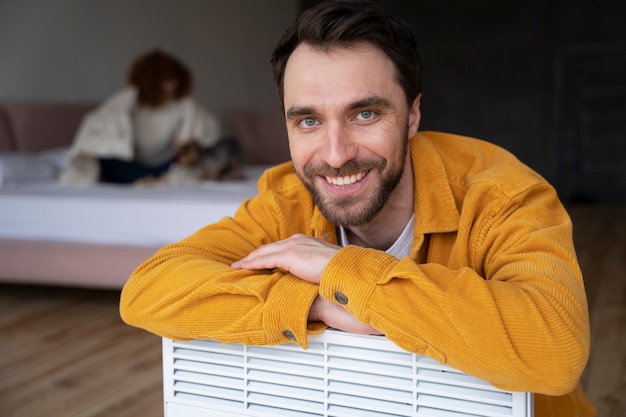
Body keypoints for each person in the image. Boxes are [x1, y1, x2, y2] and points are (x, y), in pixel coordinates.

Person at [120, 1, 595, 415]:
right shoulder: (286, 197)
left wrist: (346, 272)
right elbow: (148, 288)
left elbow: (556, 347)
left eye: (365, 114)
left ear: (412, 115)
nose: (335, 154)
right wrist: (320, 301)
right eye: (307, 120)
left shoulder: (501, 194)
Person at [60, 49, 221, 184]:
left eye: (173, 87)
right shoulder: (127, 101)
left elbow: (208, 131)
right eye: (163, 89)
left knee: (193, 164)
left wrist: (185, 140)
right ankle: (146, 179)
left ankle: (154, 178)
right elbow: (98, 130)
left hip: (165, 162)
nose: (168, 93)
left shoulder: (183, 105)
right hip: (131, 163)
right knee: (108, 161)